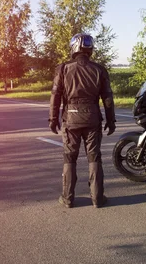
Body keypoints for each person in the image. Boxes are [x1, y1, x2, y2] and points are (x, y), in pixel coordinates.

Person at [49, 33, 116, 208]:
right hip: (92, 119)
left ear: (74, 48)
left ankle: (68, 198)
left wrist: (53, 118)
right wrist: (111, 120)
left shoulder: (63, 68)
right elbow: (107, 97)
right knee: (94, 158)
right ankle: (97, 198)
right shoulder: (99, 69)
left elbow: (55, 96)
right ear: (90, 49)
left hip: (70, 119)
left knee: (69, 158)